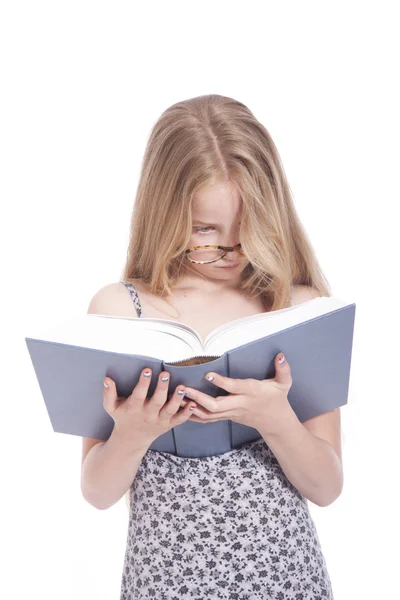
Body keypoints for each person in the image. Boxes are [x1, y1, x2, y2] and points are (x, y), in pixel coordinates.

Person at [81, 94, 342, 599]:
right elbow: (96, 492)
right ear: (164, 213)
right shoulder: (120, 310)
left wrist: (276, 419)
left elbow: (327, 487)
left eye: (247, 231)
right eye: (204, 231)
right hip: (164, 582)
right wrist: (132, 433)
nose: (229, 252)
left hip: (285, 579)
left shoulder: (298, 305)